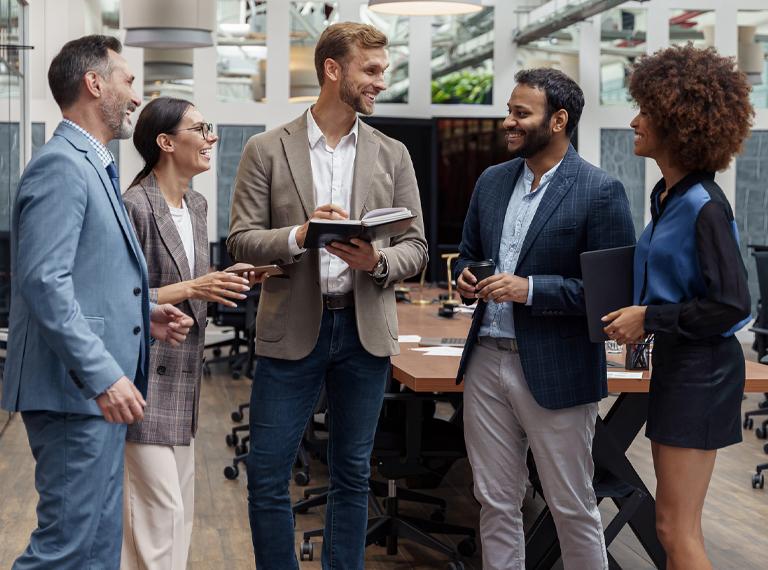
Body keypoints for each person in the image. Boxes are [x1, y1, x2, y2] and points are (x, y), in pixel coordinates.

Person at [228, 22, 428, 570]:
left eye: (383, 70)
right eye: (371, 69)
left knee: (353, 473)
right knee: (267, 472)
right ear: (332, 69)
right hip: (292, 330)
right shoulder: (266, 149)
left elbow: (416, 246)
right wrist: (301, 234)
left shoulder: (393, 154)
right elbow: (241, 240)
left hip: (364, 334)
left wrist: (377, 261)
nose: (381, 81)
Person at [0, 35, 193, 570]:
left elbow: (90, 274)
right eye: (127, 81)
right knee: (67, 550)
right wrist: (104, 376)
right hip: (75, 392)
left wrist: (142, 314)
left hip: (89, 394)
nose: (136, 96)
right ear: (94, 83)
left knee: (98, 550)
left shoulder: (91, 163)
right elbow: (45, 282)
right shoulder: (62, 166)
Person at [454, 68, 636, 570]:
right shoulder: (492, 182)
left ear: (558, 120)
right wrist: (466, 277)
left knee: (572, 505)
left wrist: (530, 289)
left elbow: (613, 297)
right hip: (485, 359)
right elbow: (469, 254)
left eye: (521, 113)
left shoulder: (600, 190)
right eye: (508, 111)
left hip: (559, 368)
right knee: (494, 501)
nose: (507, 122)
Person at [602, 45, 753, 570]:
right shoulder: (668, 198)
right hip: (678, 364)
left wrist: (650, 318)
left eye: (646, 111)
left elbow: (732, 305)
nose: (634, 121)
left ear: (677, 122)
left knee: (675, 528)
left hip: (702, 372)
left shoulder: (703, 206)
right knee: (672, 528)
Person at [119, 96, 262, 570]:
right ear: (165, 142)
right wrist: (195, 286)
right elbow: (118, 296)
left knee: (177, 519)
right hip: (142, 380)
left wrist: (226, 278)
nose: (211, 137)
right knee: (160, 517)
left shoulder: (196, 205)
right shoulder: (134, 206)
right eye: (200, 129)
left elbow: (191, 281)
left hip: (184, 380)